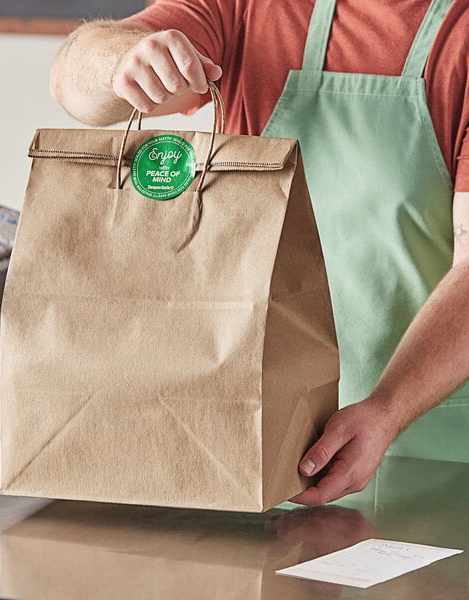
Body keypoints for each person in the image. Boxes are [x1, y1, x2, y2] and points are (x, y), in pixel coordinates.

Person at [50, 0, 469, 505]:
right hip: (246, 433)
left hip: (423, 453)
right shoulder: (252, 8)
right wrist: (122, 62)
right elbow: (76, 83)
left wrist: (387, 408)